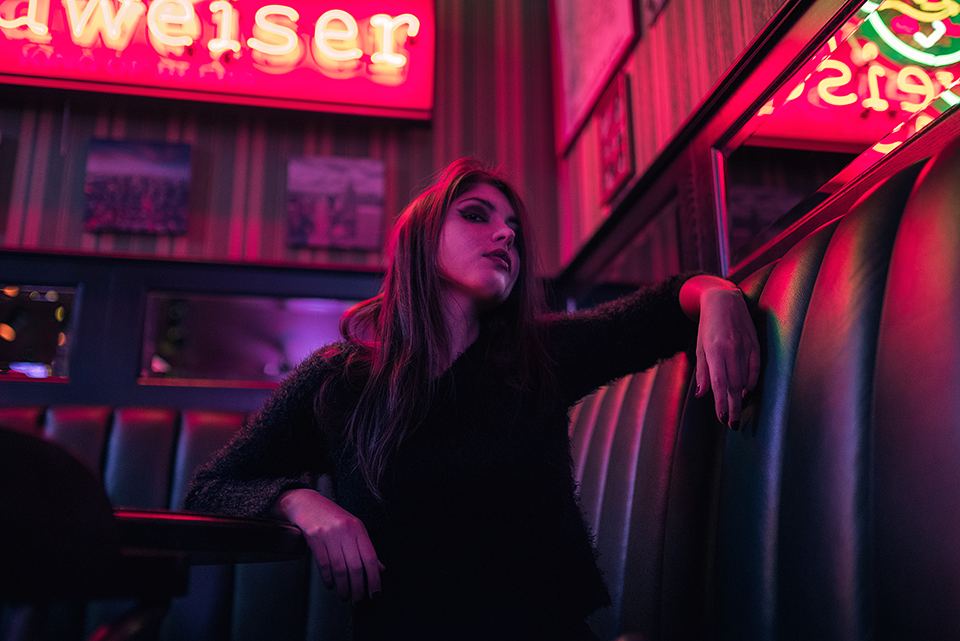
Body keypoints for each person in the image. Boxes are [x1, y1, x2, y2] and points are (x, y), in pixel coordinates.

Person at [184, 158, 760, 640]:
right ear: (421, 240)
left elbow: (655, 314)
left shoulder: (540, 356)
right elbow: (210, 489)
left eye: (511, 226)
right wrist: (303, 504)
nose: (506, 234)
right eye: (477, 216)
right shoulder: (342, 382)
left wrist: (717, 292)